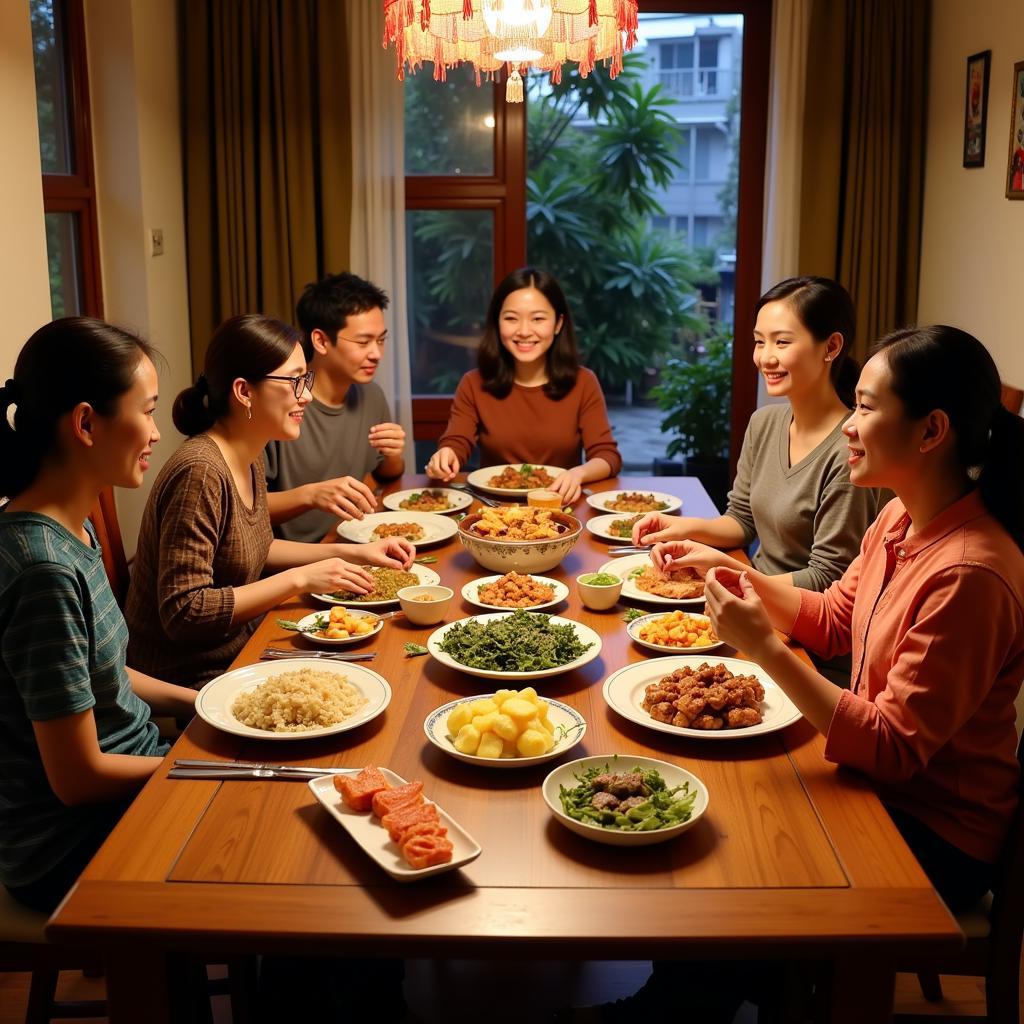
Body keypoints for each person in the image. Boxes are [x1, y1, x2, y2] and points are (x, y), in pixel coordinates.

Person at [562, 325, 1024, 1023]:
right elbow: (836, 618)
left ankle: (699, 1001)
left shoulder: (970, 571)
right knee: (719, 811)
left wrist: (765, 651)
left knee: (734, 851)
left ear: (932, 430)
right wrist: (731, 573)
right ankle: (709, 994)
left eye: (866, 408)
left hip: (934, 828)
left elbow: (896, 749)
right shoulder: (901, 517)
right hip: (876, 783)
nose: (849, 426)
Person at [0, 318, 197, 913]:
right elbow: (78, 777)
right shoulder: (42, 569)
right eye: (148, 410)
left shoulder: (74, 528)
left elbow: (99, 671)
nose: (158, 433)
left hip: (129, 778)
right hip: (66, 843)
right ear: (86, 423)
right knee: (274, 842)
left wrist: (201, 704)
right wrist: (194, 763)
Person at [125, 314, 414, 689]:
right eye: (295, 381)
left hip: (241, 646)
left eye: (305, 379)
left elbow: (259, 546)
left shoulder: (249, 454)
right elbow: (184, 612)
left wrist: (359, 553)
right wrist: (300, 579)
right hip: (194, 673)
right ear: (244, 391)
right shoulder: (200, 471)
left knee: (387, 656)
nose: (306, 394)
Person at [632, 277, 885, 594]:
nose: (765, 357)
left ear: (831, 347)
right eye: (759, 341)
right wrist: (679, 528)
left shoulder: (850, 449)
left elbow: (828, 579)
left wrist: (726, 576)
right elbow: (742, 520)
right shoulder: (764, 423)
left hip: (799, 622)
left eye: (782, 342)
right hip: (753, 594)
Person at [425, 267, 621, 504]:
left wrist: (578, 473)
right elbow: (456, 442)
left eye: (538, 318)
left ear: (558, 324)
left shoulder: (584, 382)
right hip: (493, 509)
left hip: (561, 506)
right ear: (497, 322)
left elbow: (606, 456)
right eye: (511, 318)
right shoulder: (473, 383)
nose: (524, 331)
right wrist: (446, 455)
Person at [264, 272, 406, 544]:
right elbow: (243, 510)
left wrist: (393, 455)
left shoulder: (372, 395)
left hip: (348, 544)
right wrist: (312, 496)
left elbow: (386, 475)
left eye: (381, 340)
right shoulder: (281, 401)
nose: (376, 353)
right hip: (290, 562)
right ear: (320, 341)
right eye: (363, 342)